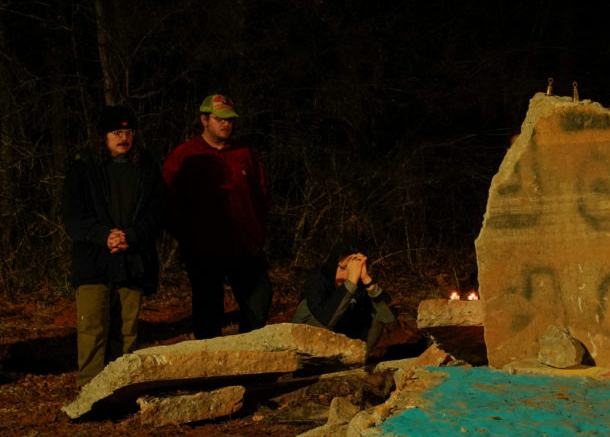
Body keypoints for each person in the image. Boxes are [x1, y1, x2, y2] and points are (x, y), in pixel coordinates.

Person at [62, 105, 165, 387]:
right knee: (92, 327)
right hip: (93, 259)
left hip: (132, 258)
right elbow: (73, 216)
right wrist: (102, 235)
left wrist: (131, 235)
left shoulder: (146, 168)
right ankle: (90, 391)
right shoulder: (83, 168)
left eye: (128, 132)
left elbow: (157, 212)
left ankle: (121, 387)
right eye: (117, 132)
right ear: (103, 136)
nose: (124, 137)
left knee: (127, 329)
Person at [162, 94, 272, 339]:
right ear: (204, 119)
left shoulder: (244, 153)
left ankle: (251, 361)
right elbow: (166, 200)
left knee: (258, 301)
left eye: (230, 120)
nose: (226, 124)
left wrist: (257, 230)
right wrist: (187, 236)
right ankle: (211, 372)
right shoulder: (185, 155)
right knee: (208, 313)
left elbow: (263, 193)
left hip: (245, 247)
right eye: (219, 119)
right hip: (204, 250)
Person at [292, 249, 396, 354]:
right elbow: (327, 320)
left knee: (378, 312)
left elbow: (389, 317)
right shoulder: (317, 279)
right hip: (305, 342)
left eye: (353, 269)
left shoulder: (360, 282)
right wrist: (351, 281)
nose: (346, 275)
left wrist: (366, 279)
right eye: (343, 268)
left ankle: (358, 357)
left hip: (341, 338)